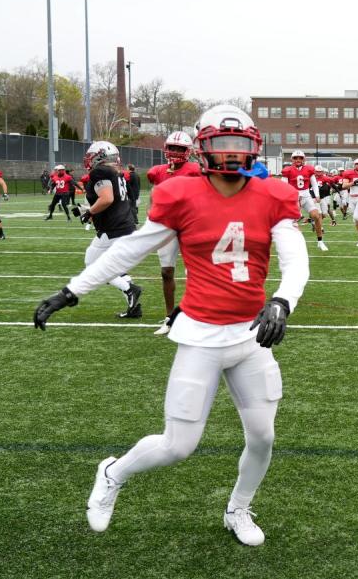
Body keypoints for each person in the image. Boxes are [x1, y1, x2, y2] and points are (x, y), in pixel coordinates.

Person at [32, 104, 308, 547]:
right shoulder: (181, 193)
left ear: (254, 146)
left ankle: (238, 508)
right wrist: (72, 291)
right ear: (204, 146)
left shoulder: (272, 193)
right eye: (223, 144)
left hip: (250, 334)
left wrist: (282, 299)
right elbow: (129, 251)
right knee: (179, 445)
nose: (233, 154)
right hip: (200, 334)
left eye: (241, 144)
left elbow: (295, 258)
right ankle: (112, 472)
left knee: (263, 437)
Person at [69, 141, 144, 319]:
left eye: (91, 156)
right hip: (124, 225)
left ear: (99, 156)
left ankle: (130, 289)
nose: (88, 160)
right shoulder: (115, 173)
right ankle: (133, 306)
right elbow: (112, 199)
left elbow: (107, 198)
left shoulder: (100, 171)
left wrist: (89, 212)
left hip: (113, 228)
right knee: (112, 266)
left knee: (93, 264)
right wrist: (87, 209)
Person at [146, 131, 204, 335]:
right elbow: (154, 194)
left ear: (188, 151)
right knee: (166, 271)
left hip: (190, 225)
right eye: (172, 147)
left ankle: (195, 315)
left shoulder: (196, 170)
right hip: (167, 225)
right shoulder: (158, 171)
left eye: (180, 148)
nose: (175, 152)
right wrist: (151, 209)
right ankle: (170, 317)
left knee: (195, 273)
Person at [281, 150, 327, 252]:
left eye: (300, 158)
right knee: (293, 221)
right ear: (292, 159)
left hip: (306, 195)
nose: (298, 160)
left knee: (316, 216)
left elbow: (314, 184)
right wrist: (290, 197)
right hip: (293, 196)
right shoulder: (287, 170)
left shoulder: (309, 169)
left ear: (303, 159)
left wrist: (317, 195)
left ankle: (320, 241)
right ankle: (295, 244)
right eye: (296, 158)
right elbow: (284, 186)